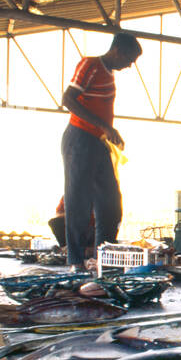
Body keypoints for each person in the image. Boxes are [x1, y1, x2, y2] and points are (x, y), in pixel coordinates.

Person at [60, 32, 142, 271]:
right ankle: (76, 261)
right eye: (129, 59)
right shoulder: (91, 64)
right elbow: (68, 99)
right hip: (79, 139)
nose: (129, 65)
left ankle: (104, 260)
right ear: (118, 50)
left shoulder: (108, 74)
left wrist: (109, 132)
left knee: (110, 204)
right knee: (79, 202)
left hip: (98, 142)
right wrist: (105, 126)